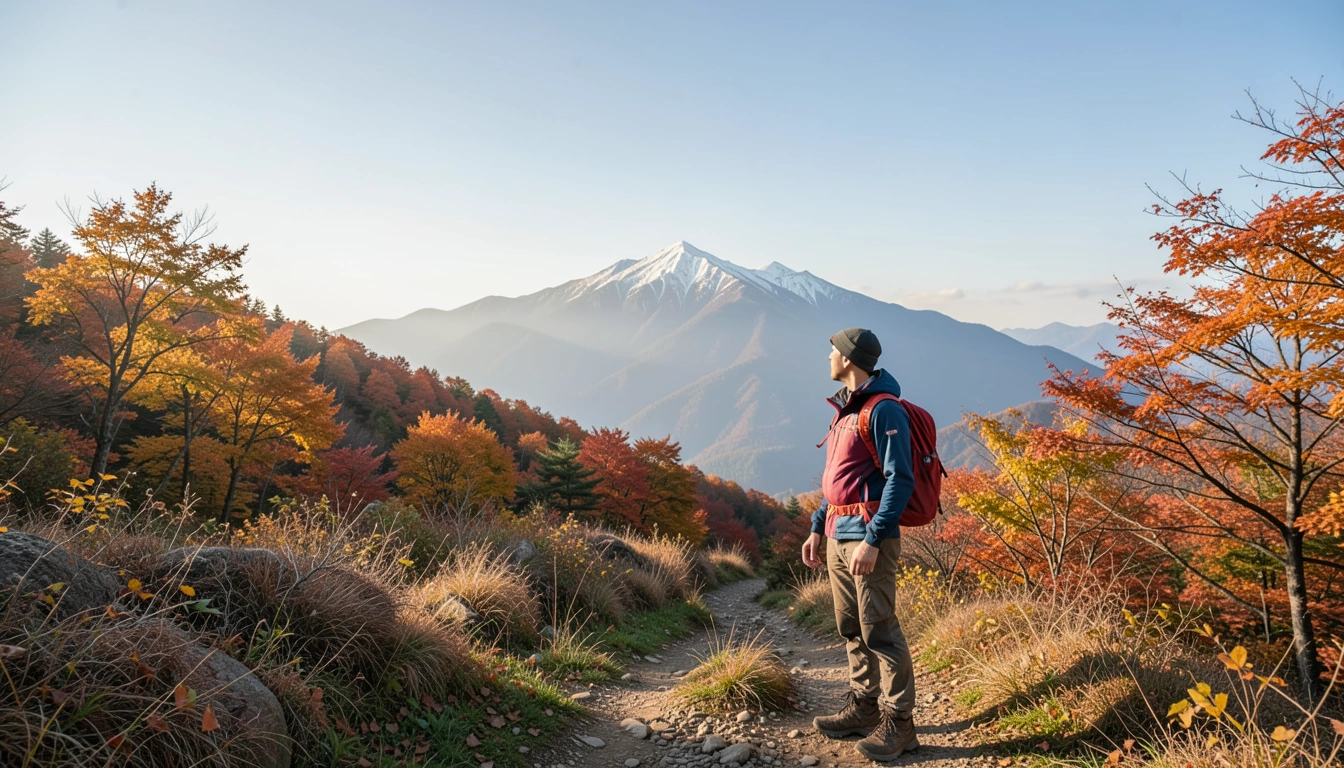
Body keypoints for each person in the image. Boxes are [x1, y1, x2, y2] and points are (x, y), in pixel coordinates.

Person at [801, 327, 919, 761]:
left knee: (880, 630)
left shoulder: (884, 411)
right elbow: (838, 480)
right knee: (851, 627)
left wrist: (873, 540)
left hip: (868, 540)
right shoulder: (844, 411)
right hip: (836, 534)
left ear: (849, 359)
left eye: (832, 350)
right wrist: (817, 525)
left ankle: (900, 723)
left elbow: (899, 479)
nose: (827, 356)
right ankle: (865, 706)